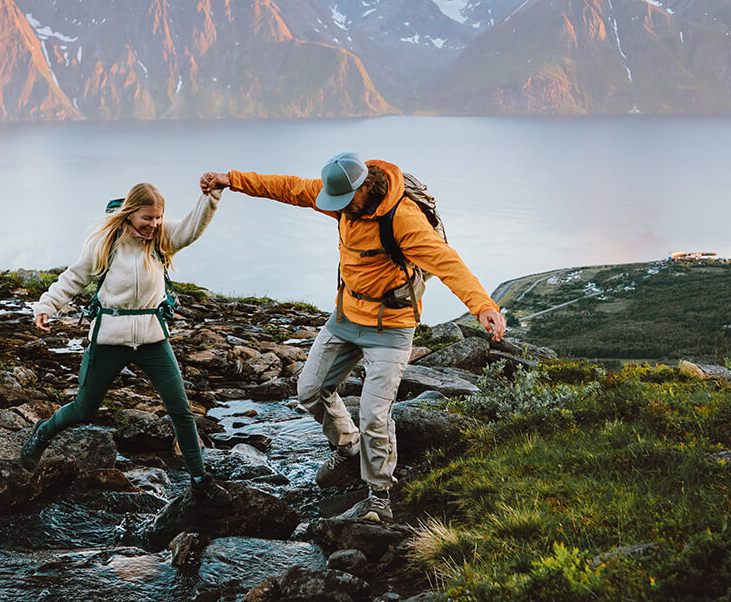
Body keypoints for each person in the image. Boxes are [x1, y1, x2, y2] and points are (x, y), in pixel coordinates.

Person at [200, 154, 506, 525]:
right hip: (346, 317)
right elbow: (287, 187)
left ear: (364, 187)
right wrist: (230, 179)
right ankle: (347, 450)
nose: (337, 208)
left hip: (391, 328)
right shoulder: (341, 199)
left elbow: (447, 263)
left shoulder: (403, 218)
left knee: (375, 415)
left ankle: (379, 496)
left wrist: (483, 306)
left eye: (344, 201)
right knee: (310, 390)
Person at [21, 180, 229, 505]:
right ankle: (43, 433)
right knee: (83, 410)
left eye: (159, 217)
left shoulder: (161, 239)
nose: (154, 224)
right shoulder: (105, 243)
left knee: (181, 411)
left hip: (151, 339)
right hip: (109, 340)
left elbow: (192, 228)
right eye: (148, 218)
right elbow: (74, 277)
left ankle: (201, 481)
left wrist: (211, 196)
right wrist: (47, 307)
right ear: (131, 213)